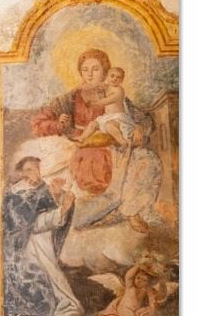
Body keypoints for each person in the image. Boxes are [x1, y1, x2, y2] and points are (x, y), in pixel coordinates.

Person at [31, 48, 162, 232]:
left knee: (148, 160)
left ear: (105, 71)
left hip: (114, 146)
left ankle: (131, 211)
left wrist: (140, 127)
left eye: (95, 69)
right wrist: (59, 124)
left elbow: (144, 119)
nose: (89, 74)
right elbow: (38, 123)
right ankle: (98, 214)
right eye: (85, 69)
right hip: (82, 146)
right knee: (82, 193)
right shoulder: (68, 98)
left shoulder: (114, 94)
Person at [3, 156, 84, 316]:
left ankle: (62, 305)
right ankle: (58, 305)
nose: (35, 173)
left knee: (51, 271)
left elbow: (47, 215)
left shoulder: (42, 189)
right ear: (21, 173)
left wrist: (58, 195)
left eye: (37, 169)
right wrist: (61, 207)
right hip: (24, 246)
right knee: (46, 272)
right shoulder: (15, 195)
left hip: (41, 241)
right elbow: (29, 224)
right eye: (30, 169)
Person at [75, 67, 135, 149]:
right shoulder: (106, 86)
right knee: (93, 124)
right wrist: (85, 87)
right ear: (107, 76)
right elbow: (93, 86)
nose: (115, 79)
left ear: (121, 80)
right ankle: (81, 138)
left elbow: (106, 101)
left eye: (118, 77)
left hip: (118, 117)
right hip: (107, 116)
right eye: (112, 76)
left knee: (109, 126)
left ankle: (122, 142)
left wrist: (93, 103)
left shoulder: (119, 90)